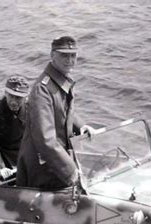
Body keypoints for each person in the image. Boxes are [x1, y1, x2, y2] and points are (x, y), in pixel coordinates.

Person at [17, 36, 94, 189]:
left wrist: (81, 126)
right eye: (64, 55)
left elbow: (63, 111)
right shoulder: (43, 89)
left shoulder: (60, 80)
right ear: (52, 56)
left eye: (73, 55)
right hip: (44, 166)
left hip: (57, 159)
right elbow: (46, 140)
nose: (70, 60)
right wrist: (71, 171)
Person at [0, 76, 29, 168]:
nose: (13, 102)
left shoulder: (31, 108)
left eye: (18, 98)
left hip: (25, 149)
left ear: (25, 98)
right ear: (5, 93)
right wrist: (0, 166)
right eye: (10, 96)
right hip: (4, 153)